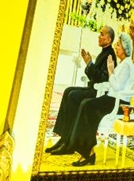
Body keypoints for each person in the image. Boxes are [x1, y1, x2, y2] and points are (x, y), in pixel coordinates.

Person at [62, 32, 134, 167]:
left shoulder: (127, 65)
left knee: (88, 106)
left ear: (125, 48)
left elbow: (117, 86)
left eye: (118, 45)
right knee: (86, 103)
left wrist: (110, 71)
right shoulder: (123, 63)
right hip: (112, 98)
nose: (116, 47)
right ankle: (87, 151)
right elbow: (113, 84)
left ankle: (88, 154)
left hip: (119, 102)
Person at [46, 26, 116, 155]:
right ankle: (64, 138)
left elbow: (103, 79)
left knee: (73, 96)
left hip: (98, 92)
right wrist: (88, 63)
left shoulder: (110, 55)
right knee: (68, 91)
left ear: (108, 39)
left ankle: (69, 144)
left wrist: (90, 64)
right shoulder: (103, 53)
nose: (99, 36)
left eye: (102, 34)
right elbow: (93, 76)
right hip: (92, 87)